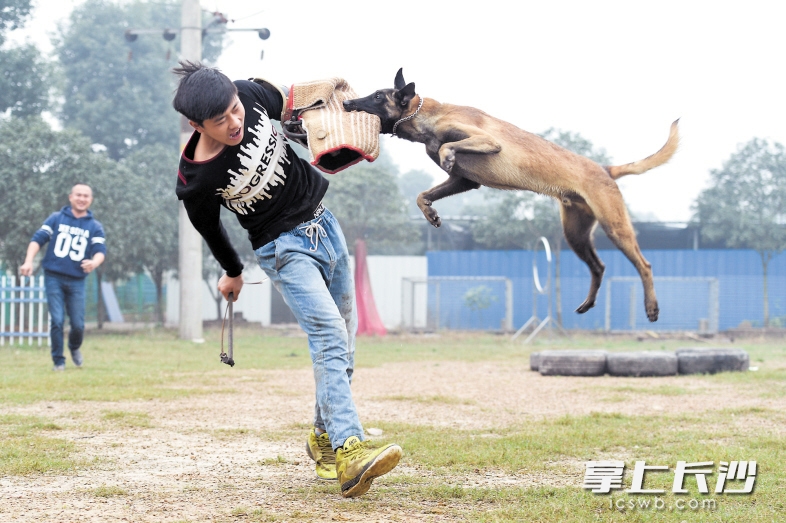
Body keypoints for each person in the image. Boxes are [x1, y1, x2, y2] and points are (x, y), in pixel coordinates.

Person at [171, 61, 401, 498]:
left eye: (236, 110)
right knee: (331, 336)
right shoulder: (196, 181)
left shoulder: (250, 94)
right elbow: (210, 228)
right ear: (195, 124)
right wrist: (234, 272)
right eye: (221, 120)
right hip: (283, 250)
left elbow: (294, 100)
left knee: (344, 345)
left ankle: (322, 437)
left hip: (326, 226)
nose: (235, 121)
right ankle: (350, 448)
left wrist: (335, 101)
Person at [20, 184, 106, 371]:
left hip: (77, 280)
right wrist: (28, 261)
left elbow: (100, 251)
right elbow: (37, 239)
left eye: (86, 196)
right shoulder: (56, 218)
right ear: (70, 197)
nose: (82, 198)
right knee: (57, 321)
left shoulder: (94, 226)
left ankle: (74, 347)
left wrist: (94, 263)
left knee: (78, 325)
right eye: (78, 195)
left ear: (90, 200)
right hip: (54, 277)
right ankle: (58, 361)